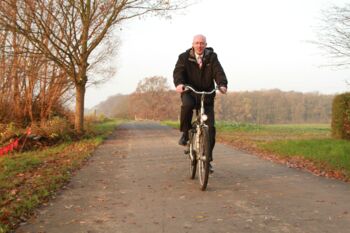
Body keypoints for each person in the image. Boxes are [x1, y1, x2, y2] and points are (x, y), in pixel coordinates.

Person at [173, 34, 228, 173]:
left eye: (202, 43)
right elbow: (178, 72)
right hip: (190, 92)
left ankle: (207, 159)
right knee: (187, 106)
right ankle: (185, 133)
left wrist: (222, 84)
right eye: (197, 43)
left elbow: (218, 72)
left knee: (210, 129)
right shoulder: (184, 57)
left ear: (205, 44)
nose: (199, 45)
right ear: (192, 44)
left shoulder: (212, 57)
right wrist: (179, 84)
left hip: (207, 95)